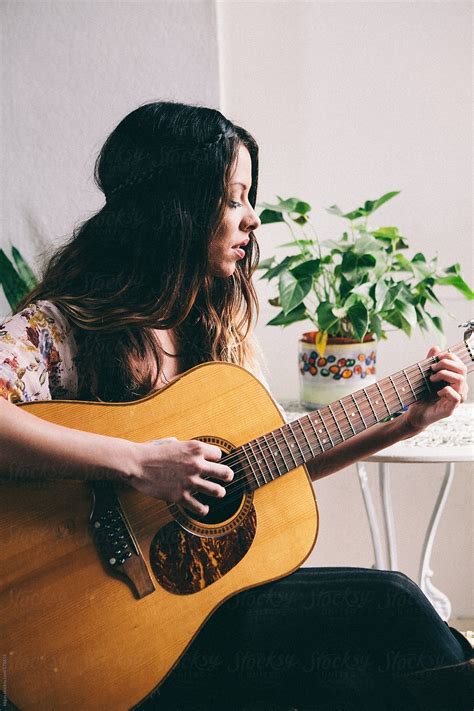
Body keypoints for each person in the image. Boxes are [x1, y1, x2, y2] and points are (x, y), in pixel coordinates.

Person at [0, 101, 471, 710]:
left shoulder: (207, 330)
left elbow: (256, 472)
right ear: (176, 206)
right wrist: (137, 462)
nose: (252, 219)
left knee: (375, 662)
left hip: (192, 617)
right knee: (393, 605)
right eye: (233, 198)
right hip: (100, 635)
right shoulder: (63, 325)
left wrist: (402, 425)